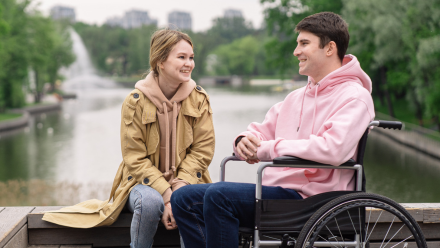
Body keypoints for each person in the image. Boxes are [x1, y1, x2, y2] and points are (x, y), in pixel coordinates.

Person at [171, 12, 375, 248]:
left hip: (315, 199)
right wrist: (244, 141)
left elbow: (333, 149)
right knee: (183, 197)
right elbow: (261, 132)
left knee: (220, 196)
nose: (296, 51)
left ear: (329, 48)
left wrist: (267, 149)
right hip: (278, 193)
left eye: (304, 43)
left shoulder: (354, 96)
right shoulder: (295, 97)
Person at [43, 28, 215, 248]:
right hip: (142, 184)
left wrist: (178, 191)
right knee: (150, 203)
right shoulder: (135, 101)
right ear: (160, 61)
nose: (188, 63)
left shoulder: (200, 99)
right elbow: (134, 157)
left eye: (191, 57)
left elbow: (202, 150)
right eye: (181, 57)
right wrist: (166, 194)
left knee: (189, 202)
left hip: (188, 181)